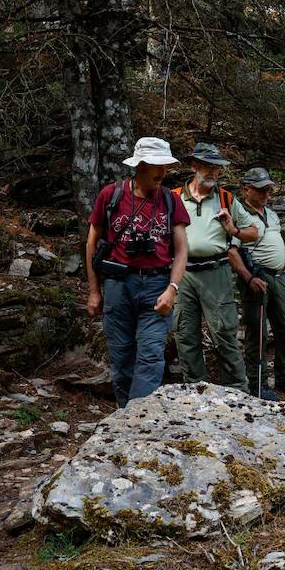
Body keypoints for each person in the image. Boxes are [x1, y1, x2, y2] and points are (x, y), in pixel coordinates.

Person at [85, 137, 189, 409]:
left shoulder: (170, 200)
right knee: (122, 357)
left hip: (157, 286)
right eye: (157, 166)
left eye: (165, 166)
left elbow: (181, 250)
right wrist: (94, 291)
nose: (163, 173)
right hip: (118, 285)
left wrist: (173, 289)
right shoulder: (111, 195)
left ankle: (139, 419)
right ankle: (125, 415)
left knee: (151, 355)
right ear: (140, 166)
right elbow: (91, 242)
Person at [172, 143, 259, 393]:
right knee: (185, 336)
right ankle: (195, 392)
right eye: (207, 166)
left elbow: (254, 232)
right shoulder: (174, 197)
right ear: (194, 166)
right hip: (183, 274)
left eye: (216, 168)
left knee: (224, 334)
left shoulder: (226, 198)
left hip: (216, 272)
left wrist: (234, 231)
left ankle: (238, 392)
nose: (213, 172)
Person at [227, 167, 285, 401]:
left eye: (269, 189)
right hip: (257, 276)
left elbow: (280, 243)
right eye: (261, 189)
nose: (267, 193)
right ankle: (258, 384)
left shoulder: (271, 213)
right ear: (247, 189)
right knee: (257, 333)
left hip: (279, 277)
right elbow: (233, 252)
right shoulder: (240, 215)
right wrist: (248, 277)